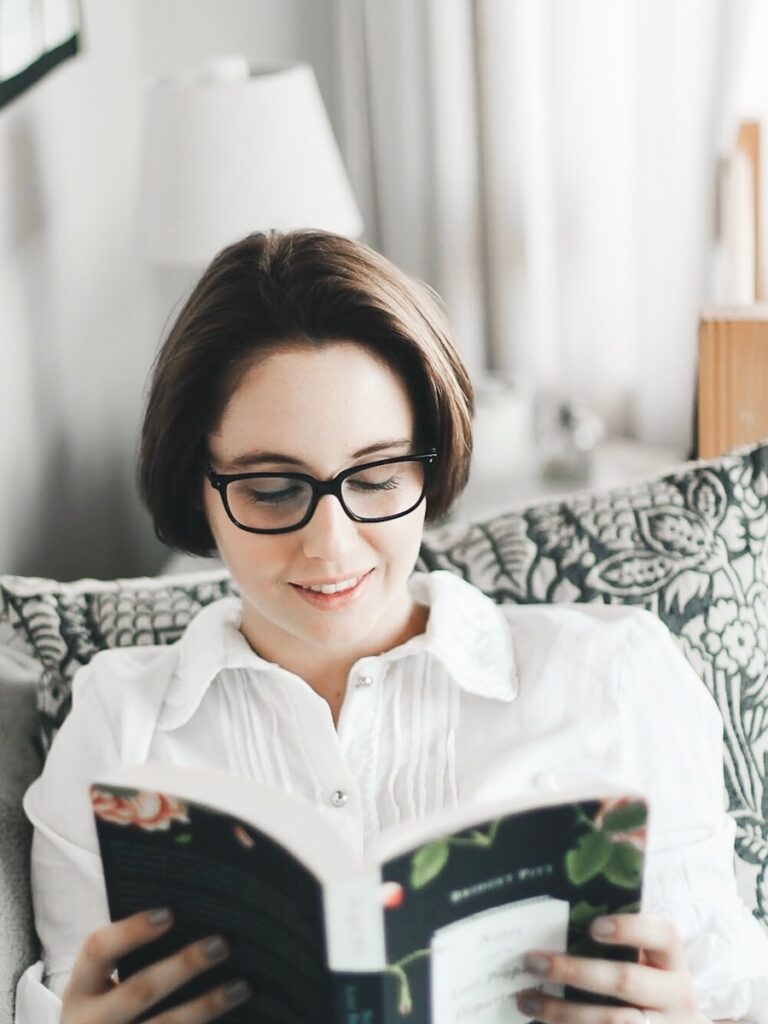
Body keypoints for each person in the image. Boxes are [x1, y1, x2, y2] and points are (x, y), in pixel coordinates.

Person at [14, 230, 768, 1024]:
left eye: (375, 479)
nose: (331, 544)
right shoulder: (116, 728)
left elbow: (732, 994)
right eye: (272, 489)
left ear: (429, 464)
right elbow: (70, 990)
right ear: (195, 486)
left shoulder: (616, 678)